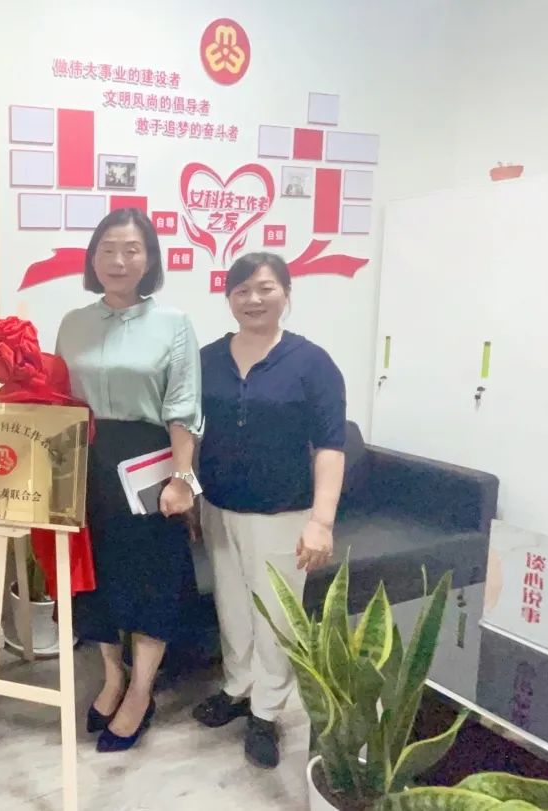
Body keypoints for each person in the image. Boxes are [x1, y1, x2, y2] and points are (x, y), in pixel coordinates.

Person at [56, 207, 202, 753]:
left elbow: (183, 407)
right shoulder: (73, 323)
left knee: (149, 581)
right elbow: (57, 399)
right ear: (93, 258)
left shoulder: (174, 324)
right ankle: (112, 677)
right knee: (96, 580)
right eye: (108, 249)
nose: (119, 260)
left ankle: (141, 691)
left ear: (150, 259)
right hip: (85, 464)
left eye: (132, 249)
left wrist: (183, 479)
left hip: (147, 466)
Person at [193, 252, 346, 769]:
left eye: (265, 288)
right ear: (228, 298)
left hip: (283, 513)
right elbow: (191, 430)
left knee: (276, 617)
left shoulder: (312, 363)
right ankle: (237, 688)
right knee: (232, 607)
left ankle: (266, 712)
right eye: (241, 290)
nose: (253, 299)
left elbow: (330, 446)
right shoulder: (209, 358)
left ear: (286, 293)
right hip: (218, 507)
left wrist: (321, 522)